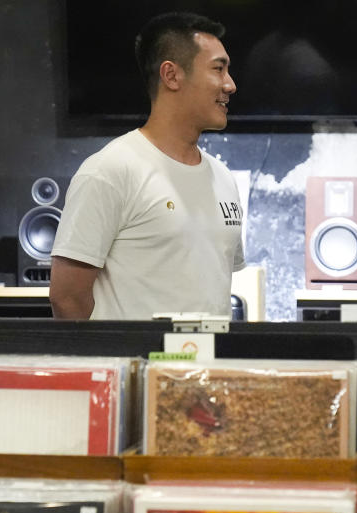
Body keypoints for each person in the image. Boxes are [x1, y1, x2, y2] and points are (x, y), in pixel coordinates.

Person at [50, 12, 245, 320]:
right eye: (218, 69)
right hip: (135, 368)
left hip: (206, 368)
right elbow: (67, 298)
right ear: (171, 75)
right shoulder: (110, 170)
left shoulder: (223, 179)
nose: (230, 85)